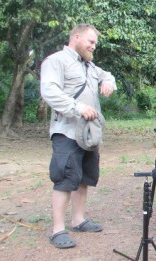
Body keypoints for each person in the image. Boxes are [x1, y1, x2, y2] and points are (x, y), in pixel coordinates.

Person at [40, 24, 116, 248]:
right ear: (76, 37)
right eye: (90, 42)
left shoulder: (90, 66)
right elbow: (50, 91)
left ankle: (78, 220)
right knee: (65, 179)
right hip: (67, 132)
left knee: (84, 178)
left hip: (88, 134)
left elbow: (109, 75)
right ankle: (57, 230)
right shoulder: (56, 61)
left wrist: (108, 82)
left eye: (95, 44)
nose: (94, 46)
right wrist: (78, 107)